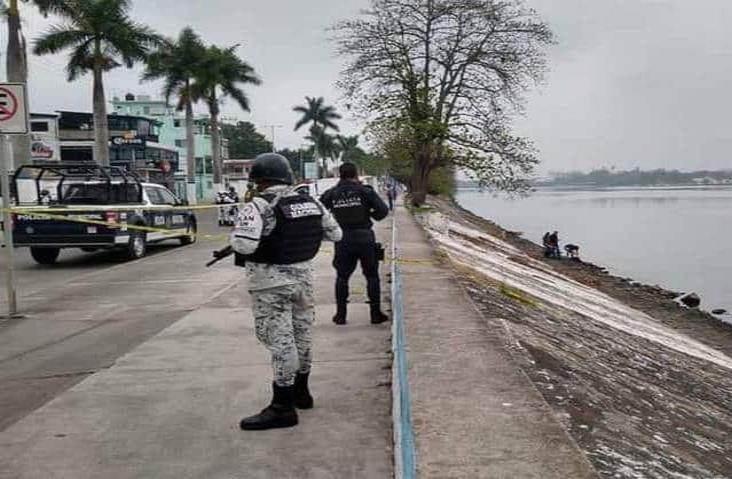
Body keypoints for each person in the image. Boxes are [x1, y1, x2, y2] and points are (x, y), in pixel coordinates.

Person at [229, 153, 342, 431]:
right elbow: (335, 234)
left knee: (280, 342)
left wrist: (238, 235)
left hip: (270, 285)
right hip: (303, 280)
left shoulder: (258, 205)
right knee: (302, 335)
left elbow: (244, 246)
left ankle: (282, 406)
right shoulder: (310, 201)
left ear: (261, 179)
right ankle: (301, 392)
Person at [320, 162, 390, 325]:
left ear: (340, 175)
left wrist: (332, 223)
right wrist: (371, 215)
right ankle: (375, 314)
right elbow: (383, 211)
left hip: (343, 238)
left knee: (342, 277)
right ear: (356, 174)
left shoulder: (332, 194)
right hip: (364, 237)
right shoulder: (365, 192)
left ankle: (340, 315)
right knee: (372, 276)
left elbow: (320, 211)